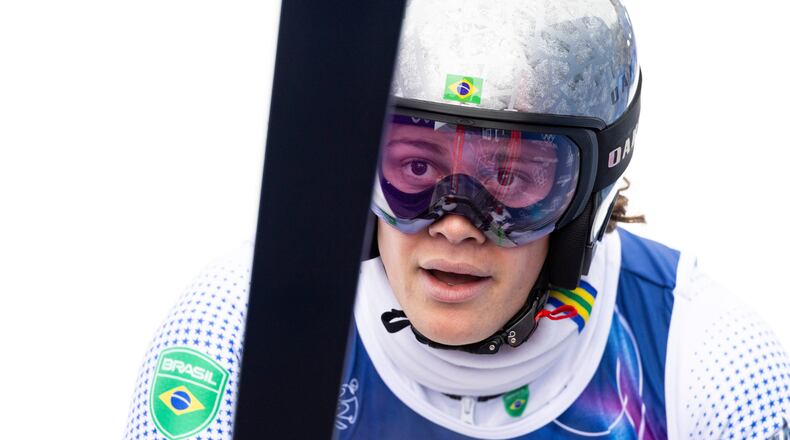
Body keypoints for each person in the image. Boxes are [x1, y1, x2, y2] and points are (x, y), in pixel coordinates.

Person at [124, 1, 790, 439]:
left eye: (507, 178)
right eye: (416, 170)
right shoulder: (236, 329)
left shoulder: (705, 359)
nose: (456, 223)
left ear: (582, 197)